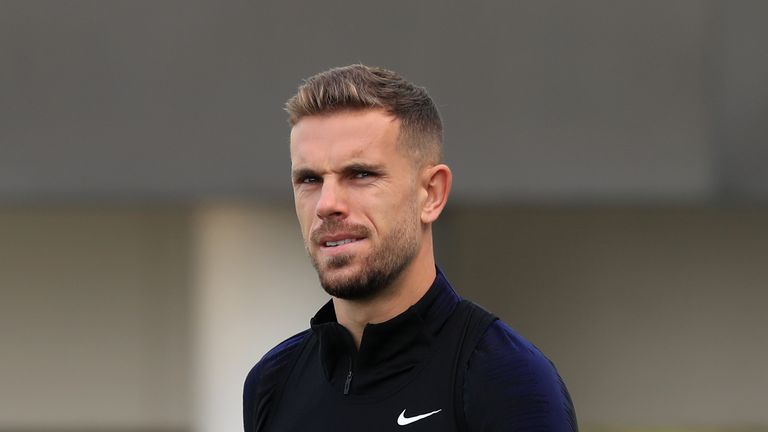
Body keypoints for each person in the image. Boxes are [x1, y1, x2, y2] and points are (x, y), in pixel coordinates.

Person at [243, 64, 577, 431]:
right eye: (309, 179)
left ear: (431, 194)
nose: (326, 204)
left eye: (360, 174)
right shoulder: (272, 384)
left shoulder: (507, 381)